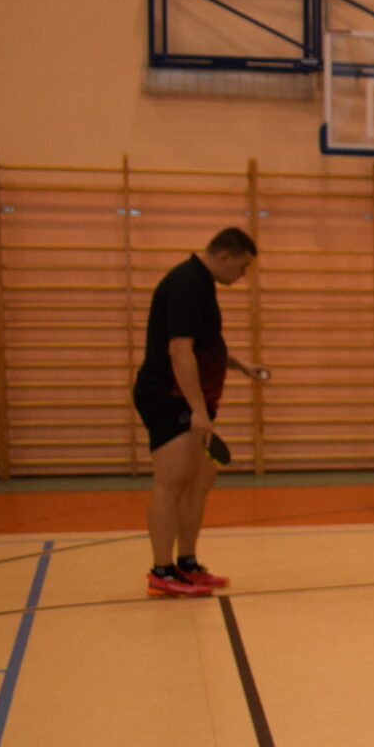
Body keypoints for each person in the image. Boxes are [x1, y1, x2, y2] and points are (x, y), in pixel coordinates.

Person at [132, 228, 270, 597]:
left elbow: (204, 345)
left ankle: (187, 564)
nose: (242, 275)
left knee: (200, 479)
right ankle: (162, 572)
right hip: (169, 397)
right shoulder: (187, 284)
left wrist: (240, 365)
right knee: (172, 483)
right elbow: (179, 351)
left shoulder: (201, 283)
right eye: (242, 266)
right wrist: (197, 410)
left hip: (190, 401)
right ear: (225, 255)